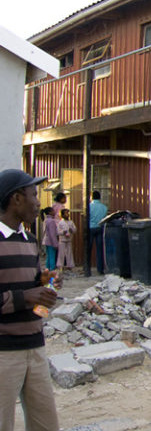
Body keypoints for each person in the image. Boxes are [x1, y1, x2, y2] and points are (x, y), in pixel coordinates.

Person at [0, 168, 61, 431]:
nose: (39, 202)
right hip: (4, 353)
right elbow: (26, 297)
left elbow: (40, 307)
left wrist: (48, 288)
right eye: (34, 195)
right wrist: (26, 297)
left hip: (35, 349)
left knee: (45, 425)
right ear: (16, 199)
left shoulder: (31, 242)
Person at [86, 190, 108, 277]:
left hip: (91, 228)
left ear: (92, 197)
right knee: (100, 249)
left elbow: (87, 217)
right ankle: (100, 269)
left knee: (88, 249)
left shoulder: (89, 206)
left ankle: (87, 268)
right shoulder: (104, 207)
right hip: (100, 228)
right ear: (100, 197)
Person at [41, 207, 58, 272]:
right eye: (53, 210)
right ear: (50, 212)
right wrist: (55, 244)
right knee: (52, 255)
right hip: (51, 241)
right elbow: (52, 234)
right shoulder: (51, 221)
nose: (54, 212)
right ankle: (52, 269)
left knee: (48, 255)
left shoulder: (46, 220)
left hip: (46, 240)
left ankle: (47, 269)